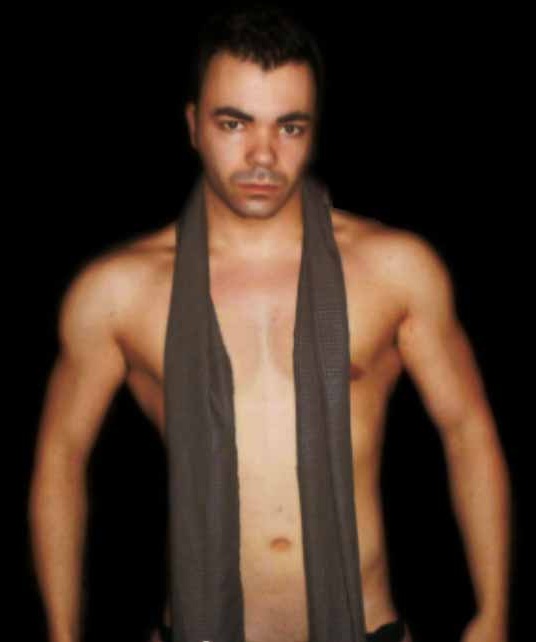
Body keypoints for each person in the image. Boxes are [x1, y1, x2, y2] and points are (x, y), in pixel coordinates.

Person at [28, 4, 512, 642]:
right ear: (193, 125)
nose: (263, 154)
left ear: (313, 132)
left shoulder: (394, 269)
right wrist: (62, 632)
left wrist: (493, 611)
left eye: (289, 126)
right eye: (234, 123)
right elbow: (62, 454)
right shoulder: (119, 292)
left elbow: (466, 427)